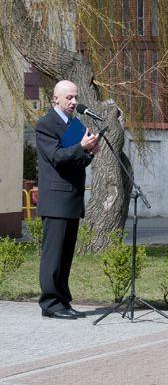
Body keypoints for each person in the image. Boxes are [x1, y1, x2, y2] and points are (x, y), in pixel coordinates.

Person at [35, 80, 99, 319]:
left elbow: (77, 161)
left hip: (72, 200)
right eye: (69, 98)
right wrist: (81, 146)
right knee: (53, 255)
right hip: (56, 201)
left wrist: (90, 152)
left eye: (75, 98)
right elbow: (56, 157)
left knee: (65, 256)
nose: (74, 102)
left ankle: (62, 300)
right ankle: (50, 304)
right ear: (56, 99)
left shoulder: (75, 123)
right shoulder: (46, 124)